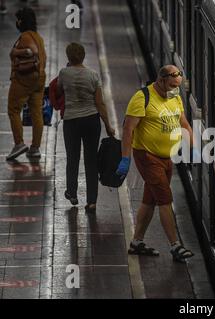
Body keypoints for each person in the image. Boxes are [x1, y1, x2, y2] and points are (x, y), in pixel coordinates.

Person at [117, 65, 195, 262]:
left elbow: (183, 123)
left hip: (166, 157)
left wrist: (193, 147)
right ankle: (175, 246)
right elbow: (128, 130)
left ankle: (136, 243)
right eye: (171, 86)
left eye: (177, 87)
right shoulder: (142, 98)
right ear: (160, 81)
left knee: (149, 200)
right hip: (147, 156)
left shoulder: (175, 97)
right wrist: (125, 159)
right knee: (165, 199)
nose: (174, 90)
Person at [56, 42, 115, 214]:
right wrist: (108, 126)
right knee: (91, 161)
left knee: (72, 158)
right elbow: (100, 103)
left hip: (71, 122)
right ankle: (92, 201)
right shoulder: (93, 75)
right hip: (91, 121)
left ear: (68, 57)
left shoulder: (64, 73)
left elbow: (59, 92)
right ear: (83, 56)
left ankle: (72, 193)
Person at [7, 7, 46, 160]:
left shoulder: (25, 36)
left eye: (18, 19)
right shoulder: (38, 37)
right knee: (37, 112)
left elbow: (32, 51)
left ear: (21, 21)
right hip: (39, 79)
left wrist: (19, 52)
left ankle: (19, 143)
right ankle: (35, 148)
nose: (16, 22)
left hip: (24, 79)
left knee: (13, 109)